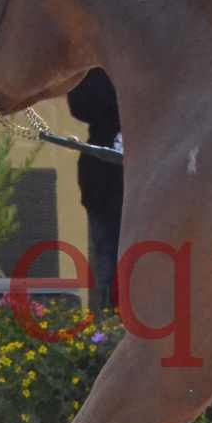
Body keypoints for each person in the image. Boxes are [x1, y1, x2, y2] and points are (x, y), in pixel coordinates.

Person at [67, 68, 124, 316]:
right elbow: (80, 104)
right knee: (108, 266)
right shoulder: (94, 65)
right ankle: (110, 332)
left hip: (151, 179)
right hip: (104, 181)